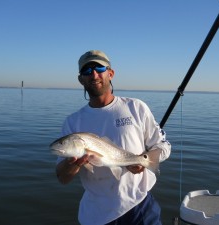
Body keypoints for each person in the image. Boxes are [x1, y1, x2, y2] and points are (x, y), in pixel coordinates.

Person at [55, 50, 171, 225]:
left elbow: (163, 146)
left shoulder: (136, 107)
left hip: (140, 207)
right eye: (86, 71)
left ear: (111, 73)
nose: (93, 75)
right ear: (81, 80)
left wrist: (144, 162)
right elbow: (62, 177)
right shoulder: (73, 122)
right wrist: (71, 166)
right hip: (97, 216)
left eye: (99, 68)